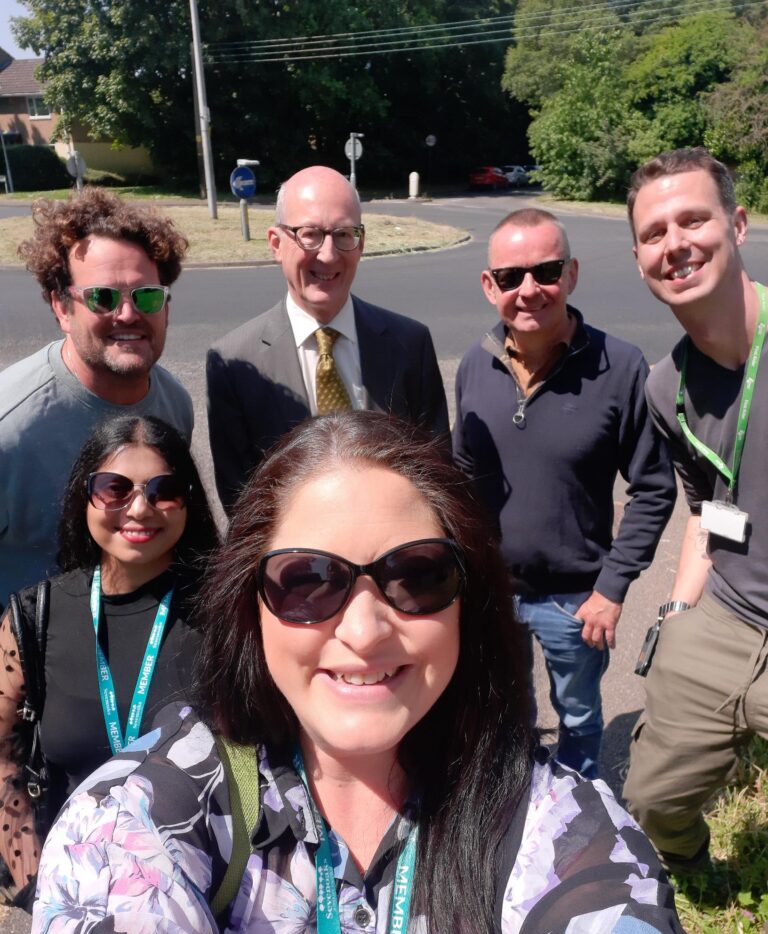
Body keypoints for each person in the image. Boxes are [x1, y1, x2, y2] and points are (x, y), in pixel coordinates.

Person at [11, 412, 721, 934]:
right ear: (248, 609)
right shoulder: (144, 814)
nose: (365, 629)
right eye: (307, 581)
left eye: (417, 575)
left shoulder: (549, 821)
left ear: (467, 603)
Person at [622, 147, 768, 934]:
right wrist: (678, 612)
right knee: (651, 800)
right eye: (653, 232)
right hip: (730, 611)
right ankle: (699, 870)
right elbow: (709, 505)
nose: (674, 243)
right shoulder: (665, 387)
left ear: (738, 225)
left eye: (693, 220)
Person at [453, 209, 676, 778]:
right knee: (507, 710)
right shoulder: (476, 365)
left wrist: (612, 586)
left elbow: (652, 489)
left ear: (571, 274)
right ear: (488, 286)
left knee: (577, 715)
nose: (529, 290)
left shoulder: (620, 367)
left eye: (546, 271)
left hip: (577, 602)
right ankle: (524, 799)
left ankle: (580, 804)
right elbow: (459, 475)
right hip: (491, 591)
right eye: (510, 277)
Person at [0, 415, 217, 904]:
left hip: (206, 895)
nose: (139, 508)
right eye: (114, 488)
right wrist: (36, 885)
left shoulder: (228, 613)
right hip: (75, 900)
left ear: (188, 502)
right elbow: (4, 753)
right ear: (84, 496)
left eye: (164, 490)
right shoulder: (34, 617)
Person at [206, 164, 448, 513]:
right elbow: (240, 502)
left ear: (361, 242)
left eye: (343, 234)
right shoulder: (234, 364)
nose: (329, 254)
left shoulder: (410, 345)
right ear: (276, 243)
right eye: (310, 234)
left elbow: (437, 478)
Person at [0, 187, 193, 604]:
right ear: (61, 308)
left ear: (166, 307)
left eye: (146, 296)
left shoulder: (175, 406)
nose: (127, 314)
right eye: (102, 298)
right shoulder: (9, 430)